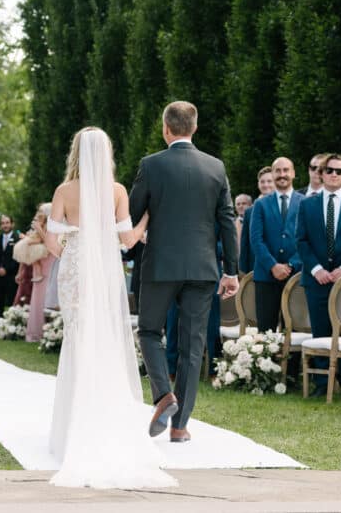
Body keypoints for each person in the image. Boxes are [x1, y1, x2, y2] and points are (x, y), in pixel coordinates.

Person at [44, 126, 176, 489]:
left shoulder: (63, 191)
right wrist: (148, 217)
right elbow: (128, 239)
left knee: (78, 340)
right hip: (104, 270)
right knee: (105, 342)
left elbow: (52, 241)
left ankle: (71, 429)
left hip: (74, 269)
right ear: (106, 153)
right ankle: (106, 421)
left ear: (76, 152)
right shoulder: (116, 191)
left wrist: (72, 245)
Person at [129, 101, 239, 444]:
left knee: (149, 331)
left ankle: (163, 395)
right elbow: (227, 221)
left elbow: (133, 215)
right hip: (204, 268)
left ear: (166, 128)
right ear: (194, 128)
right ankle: (180, 427)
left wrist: (148, 225)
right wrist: (231, 271)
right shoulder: (215, 167)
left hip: (160, 265)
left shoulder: (151, 165)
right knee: (193, 346)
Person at [295, 153, 341, 397]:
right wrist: (316, 269)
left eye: (339, 171)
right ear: (321, 174)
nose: (334, 175)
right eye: (330, 170)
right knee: (321, 329)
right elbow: (301, 241)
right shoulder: (307, 204)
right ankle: (323, 384)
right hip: (317, 278)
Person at [249, 157, 303, 332]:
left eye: (286, 170)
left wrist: (291, 265)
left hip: (296, 275)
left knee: (295, 329)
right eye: (278, 171)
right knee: (266, 332)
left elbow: (307, 239)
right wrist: (273, 266)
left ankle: (293, 361)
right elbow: (256, 240)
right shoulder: (260, 204)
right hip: (266, 275)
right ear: (272, 174)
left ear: (293, 173)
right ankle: (268, 361)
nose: (282, 175)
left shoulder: (306, 203)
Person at [12, 205, 55, 342]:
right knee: (37, 298)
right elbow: (37, 240)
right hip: (40, 265)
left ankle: (48, 331)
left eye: (42, 212)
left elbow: (50, 243)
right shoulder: (41, 226)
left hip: (50, 263)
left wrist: (38, 230)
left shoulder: (54, 227)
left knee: (47, 296)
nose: (39, 213)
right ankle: (36, 332)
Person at [240, 166, 275, 274]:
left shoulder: (286, 207)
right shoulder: (249, 211)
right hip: (255, 266)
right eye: (262, 181)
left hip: (279, 265)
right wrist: (243, 271)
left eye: (269, 181)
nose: (266, 185)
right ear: (258, 184)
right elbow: (245, 243)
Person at [0, 215, 21, 330]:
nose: (5, 225)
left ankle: (12, 326)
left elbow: (17, 258)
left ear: (12, 224)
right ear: (0, 225)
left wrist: (6, 269)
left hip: (11, 275)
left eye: (7, 223)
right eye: (3, 223)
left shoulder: (18, 239)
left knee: (12, 301)